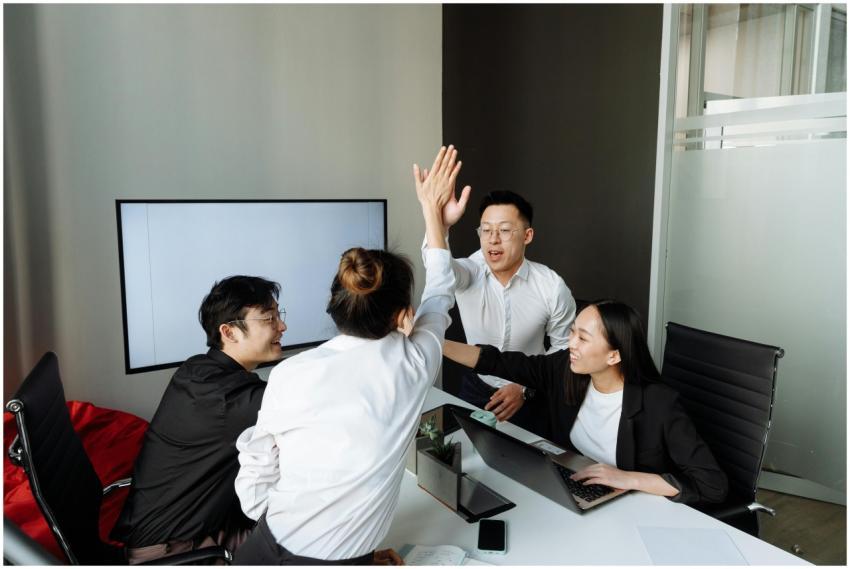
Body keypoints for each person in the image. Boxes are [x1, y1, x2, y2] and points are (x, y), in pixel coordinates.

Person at [232, 145, 463, 564]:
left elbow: (257, 466)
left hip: (262, 547)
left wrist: (309, 531)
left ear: (335, 304)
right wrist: (434, 218)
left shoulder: (289, 373)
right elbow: (441, 292)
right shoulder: (412, 368)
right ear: (403, 317)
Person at [443, 300, 728, 504]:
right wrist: (435, 342)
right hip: (577, 490)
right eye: (572, 332)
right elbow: (501, 362)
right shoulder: (568, 371)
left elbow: (712, 485)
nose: (571, 345)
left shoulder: (659, 404)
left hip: (633, 506)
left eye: (583, 338)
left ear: (614, 356)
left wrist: (628, 478)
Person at [111, 276, 286, 563]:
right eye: (269, 318)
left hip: (194, 532)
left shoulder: (198, 370)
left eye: (279, 315)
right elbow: (304, 403)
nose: (282, 326)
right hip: (176, 553)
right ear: (229, 332)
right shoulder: (225, 400)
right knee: (309, 540)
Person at [420, 188, 576, 438]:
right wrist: (440, 224)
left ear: (527, 235)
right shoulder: (470, 271)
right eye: (485, 230)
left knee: (529, 466)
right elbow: (438, 267)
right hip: (476, 386)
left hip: (530, 391)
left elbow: (565, 351)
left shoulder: (551, 286)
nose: (493, 239)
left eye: (504, 230)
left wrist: (524, 389)